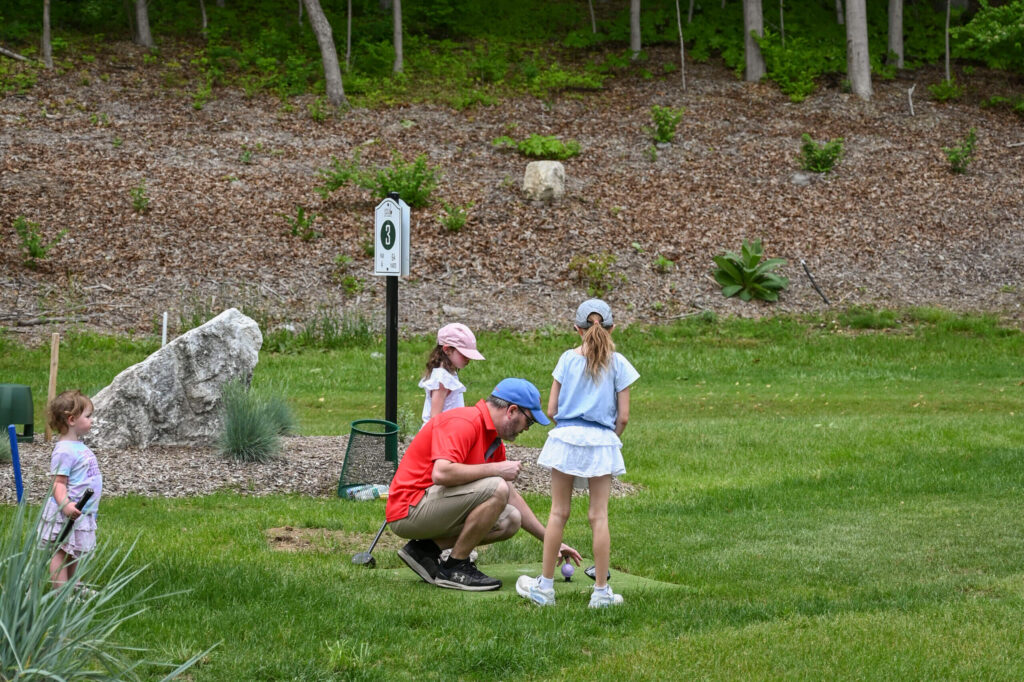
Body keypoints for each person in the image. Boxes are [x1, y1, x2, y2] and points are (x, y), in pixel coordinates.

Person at [387, 378, 583, 591]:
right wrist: (497, 470)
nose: (527, 429)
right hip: (408, 510)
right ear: (512, 411)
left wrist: (551, 541)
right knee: (497, 486)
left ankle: (423, 551)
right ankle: (455, 567)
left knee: (511, 519)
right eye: (530, 421)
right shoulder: (466, 421)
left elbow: (510, 495)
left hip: (430, 507)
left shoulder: (493, 439)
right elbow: (441, 473)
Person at [516, 299, 639, 608]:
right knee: (599, 516)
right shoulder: (619, 363)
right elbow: (623, 417)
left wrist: (571, 428)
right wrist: (608, 439)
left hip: (566, 437)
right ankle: (600, 593)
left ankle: (544, 588)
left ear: (577, 329)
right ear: (612, 328)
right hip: (601, 441)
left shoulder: (566, 359)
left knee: (558, 512)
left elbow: (552, 409)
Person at [37, 390, 104, 590]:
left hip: (82, 511)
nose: (92, 420)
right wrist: (66, 506)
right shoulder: (64, 450)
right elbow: (58, 483)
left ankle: (74, 586)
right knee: (60, 552)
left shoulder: (77, 445)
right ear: (72, 419)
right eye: (88, 416)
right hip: (67, 512)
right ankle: (61, 594)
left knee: (74, 551)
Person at [418, 323, 485, 428]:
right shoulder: (442, 379)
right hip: (438, 435)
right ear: (447, 350)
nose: (468, 359)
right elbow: (435, 418)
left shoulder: (449, 374)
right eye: (464, 354)